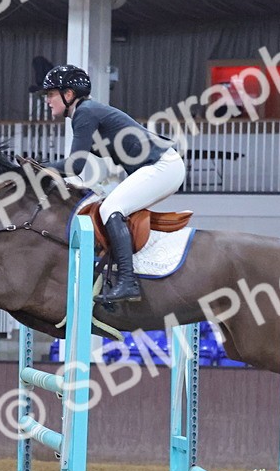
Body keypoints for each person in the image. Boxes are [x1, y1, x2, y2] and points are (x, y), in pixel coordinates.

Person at [39, 65, 186, 304]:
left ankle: (128, 281)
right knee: (104, 204)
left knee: (110, 209)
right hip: (157, 166)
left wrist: (38, 168)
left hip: (162, 166)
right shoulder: (86, 112)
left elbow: (75, 165)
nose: (47, 100)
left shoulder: (85, 112)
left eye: (51, 94)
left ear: (68, 95)